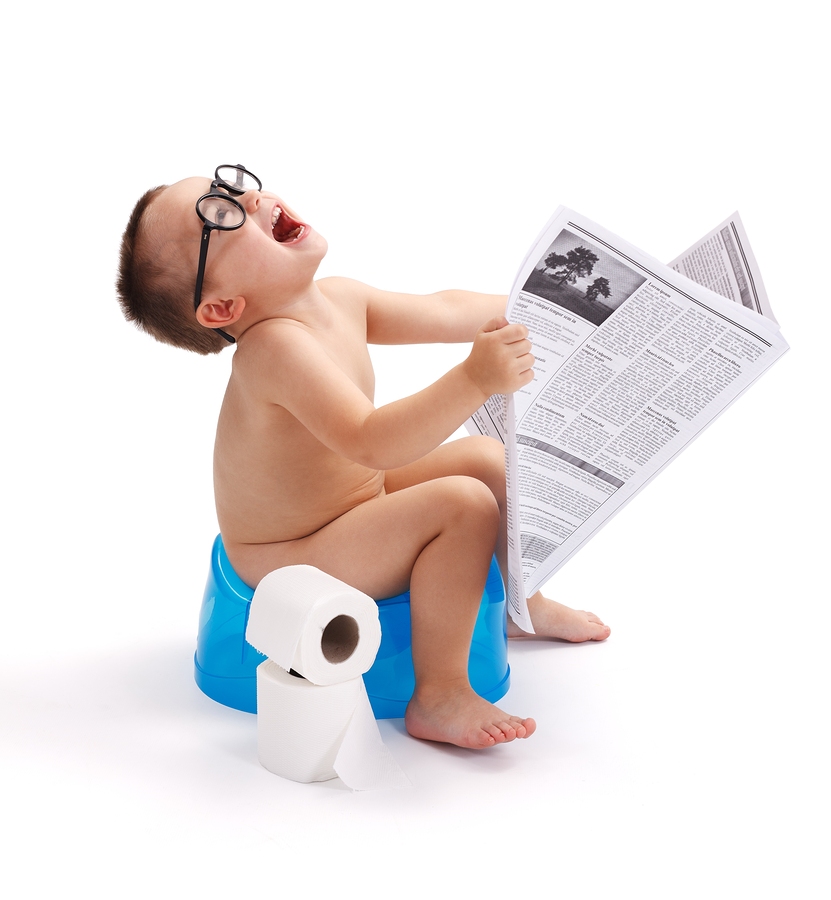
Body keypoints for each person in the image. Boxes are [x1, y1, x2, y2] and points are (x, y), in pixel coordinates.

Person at [117, 164, 610, 751]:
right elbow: (373, 439)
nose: (250, 197)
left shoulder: (340, 299)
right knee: (463, 505)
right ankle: (441, 692)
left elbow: (447, 307)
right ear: (223, 308)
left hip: (350, 504)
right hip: (290, 554)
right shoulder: (274, 350)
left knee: (485, 458)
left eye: (234, 186)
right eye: (221, 215)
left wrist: (552, 306)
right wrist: (474, 380)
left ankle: (517, 606)